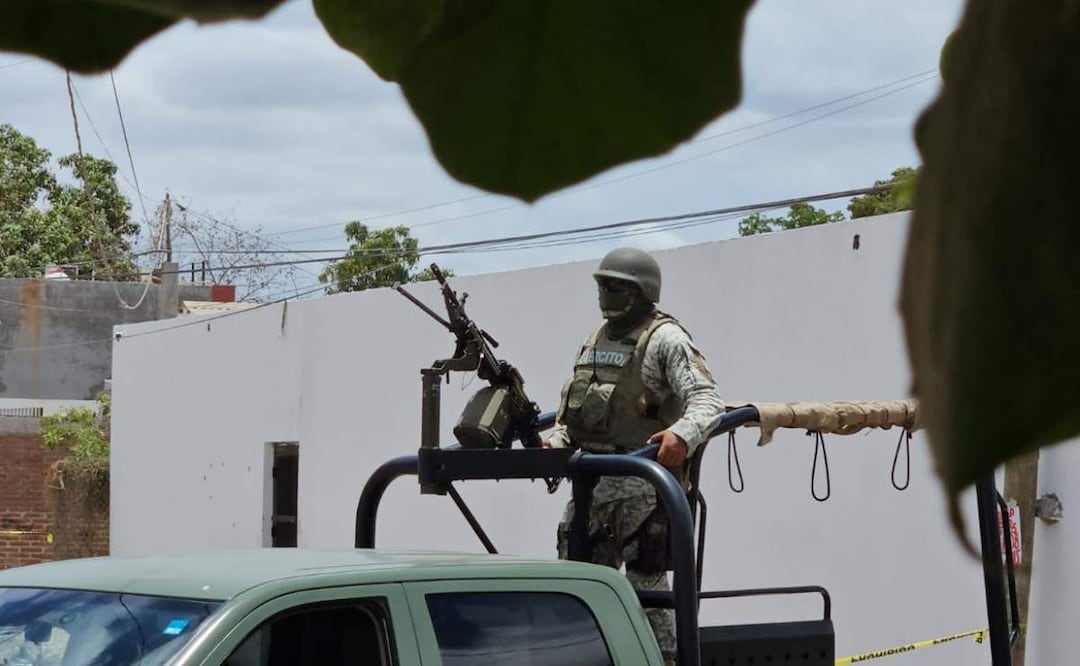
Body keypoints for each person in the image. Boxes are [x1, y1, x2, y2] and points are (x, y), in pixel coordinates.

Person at [543, 247, 725, 665]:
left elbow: (708, 400)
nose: (605, 293)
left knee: (649, 594)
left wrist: (682, 434)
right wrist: (556, 441)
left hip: (643, 488)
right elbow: (575, 412)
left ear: (642, 291)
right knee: (573, 588)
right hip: (592, 485)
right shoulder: (595, 338)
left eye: (615, 285)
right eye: (602, 284)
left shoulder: (665, 339)